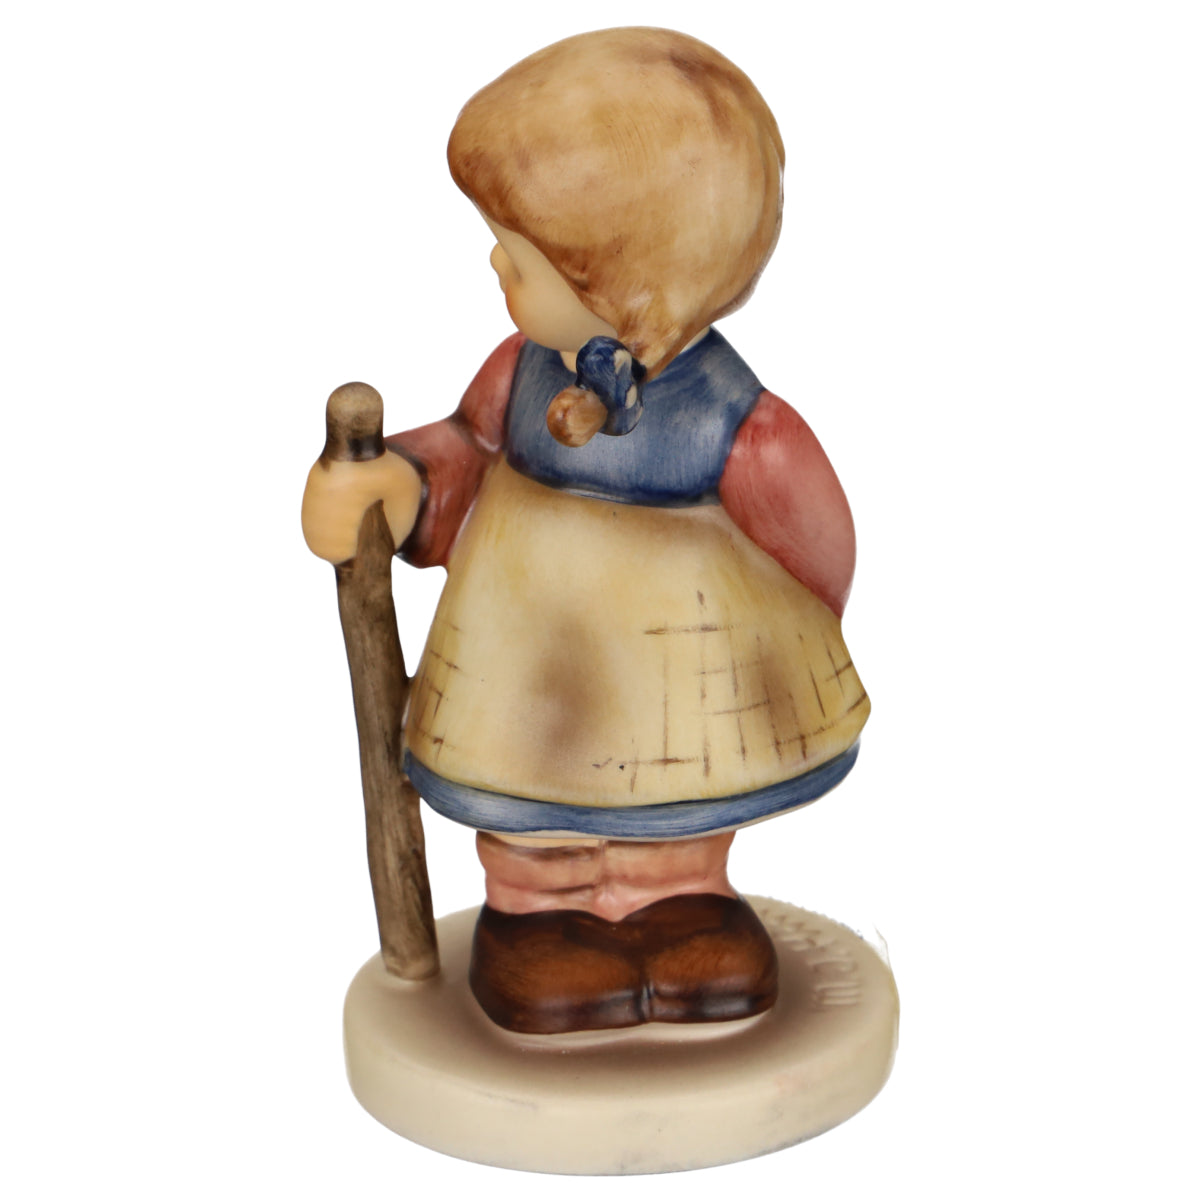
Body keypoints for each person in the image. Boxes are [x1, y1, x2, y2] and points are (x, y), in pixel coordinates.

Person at [302, 28, 869, 1034]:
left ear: (627, 292)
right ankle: (541, 921)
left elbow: (814, 541)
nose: (495, 262)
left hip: (685, 688)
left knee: (677, 824)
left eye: (521, 256)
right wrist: (394, 489)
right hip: (533, 686)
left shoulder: (731, 414)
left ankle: (681, 907)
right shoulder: (521, 373)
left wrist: (801, 631)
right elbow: (469, 452)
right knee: (533, 829)